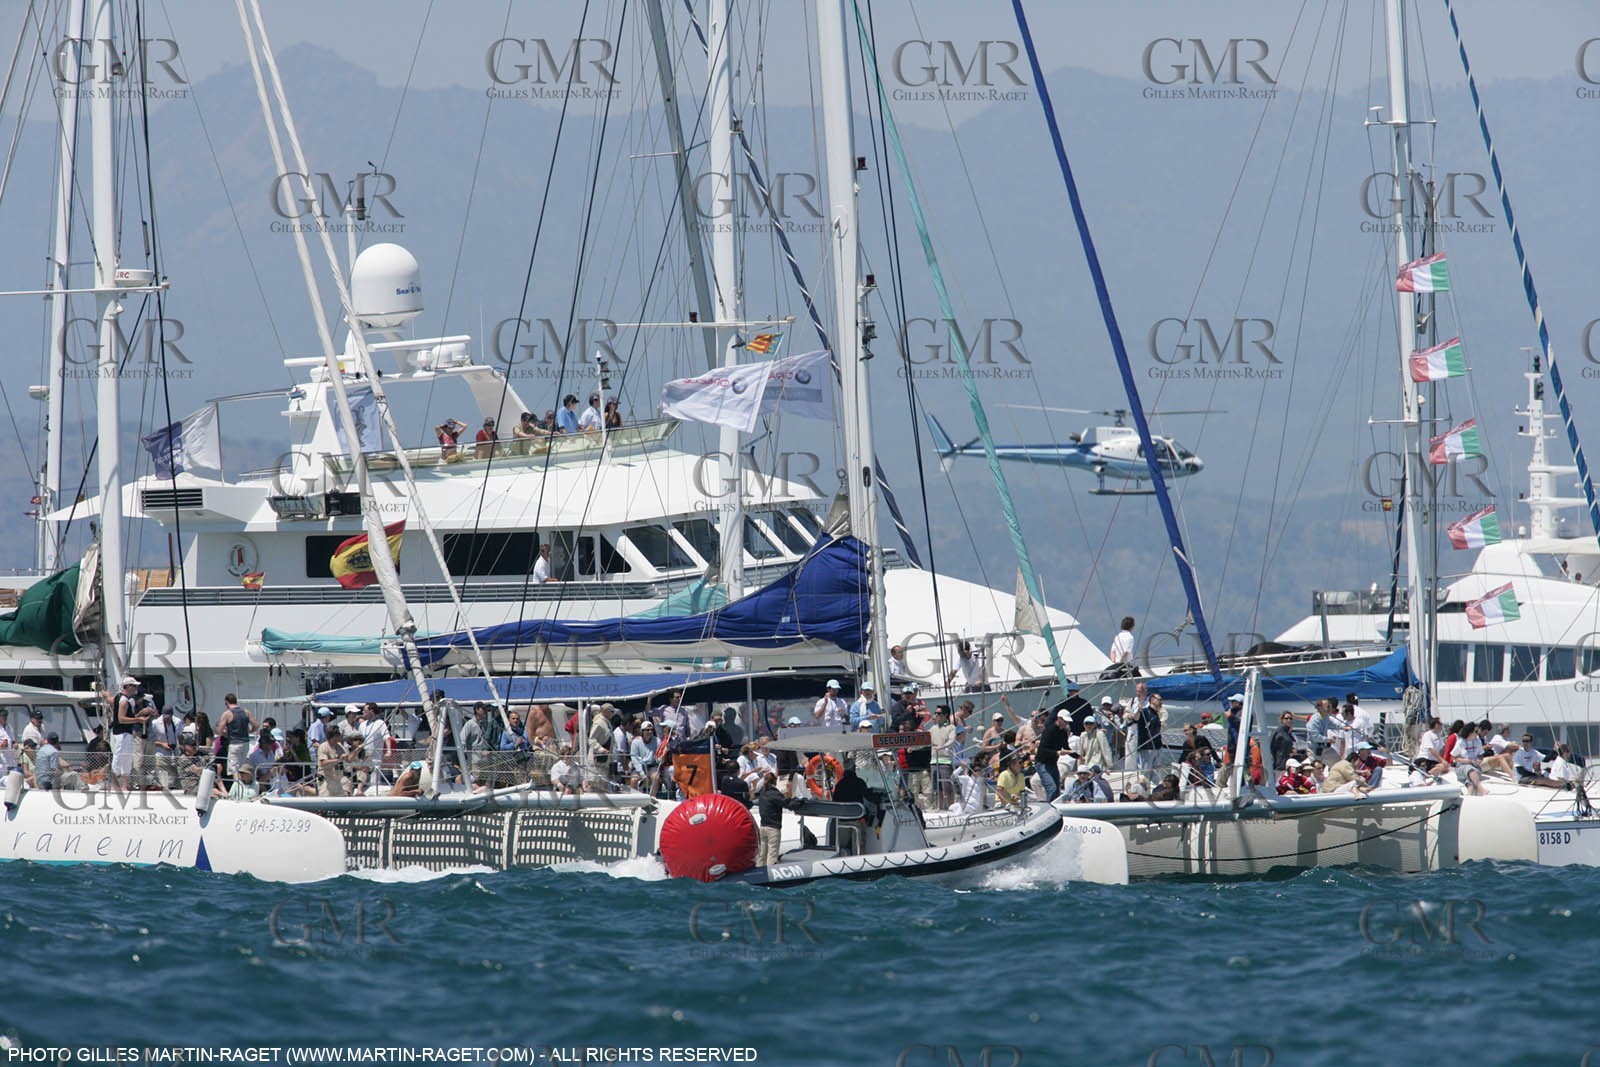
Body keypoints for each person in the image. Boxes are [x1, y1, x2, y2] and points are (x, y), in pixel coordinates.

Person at [109, 676, 151, 788]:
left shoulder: (120, 698)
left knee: (127, 759)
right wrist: (139, 719)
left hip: (126, 733)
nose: (135, 688)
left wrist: (139, 715)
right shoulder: (124, 701)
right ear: (127, 687)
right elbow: (121, 719)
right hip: (122, 734)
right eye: (133, 686)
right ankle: (114, 785)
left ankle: (124, 785)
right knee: (119, 758)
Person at [754, 773, 797, 866]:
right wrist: (800, 801)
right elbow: (788, 804)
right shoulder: (775, 794)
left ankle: (758, 874)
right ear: (775, 781)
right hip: (773, 828)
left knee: (762, 855)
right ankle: (771, 878)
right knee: (772, 855)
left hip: (762, 827)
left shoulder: (762, 793)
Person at [1034, 708, 1072, 802]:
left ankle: (1055, 806)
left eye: (1067, 722)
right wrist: (1057, 753)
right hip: (1042, 763)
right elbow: (1043, 750)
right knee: (1052, 787)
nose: (1066, 723)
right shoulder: (1049, 731)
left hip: (1052, 763)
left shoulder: (1063, 732)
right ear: (1059, 719)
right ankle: (1050, 808)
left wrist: (1078, 755)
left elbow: (1066, 747)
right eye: (1065, 721)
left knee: (1057, 790)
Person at [218, 693, 255, 780]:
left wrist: (225, 734)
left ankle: (237, 788)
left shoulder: (227, 714)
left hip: (234, 744)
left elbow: (219, 730)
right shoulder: (246, 712)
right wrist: (250, 731)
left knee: (234, 770)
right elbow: (256, 725)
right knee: (241, 768)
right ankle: (243, 788)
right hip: (246, 743)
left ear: (227, 702)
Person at [928, 706, 957, 808]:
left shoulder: (951, 727)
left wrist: (942, 747)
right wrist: (913, 748)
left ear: (945, 715)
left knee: (947, 788)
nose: (936, 715)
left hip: (945, 761)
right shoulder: (932, 729)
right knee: (937, 790)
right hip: (933, 761)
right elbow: (925, 741)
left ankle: (952, 809)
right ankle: (939, 809)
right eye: (935, 713)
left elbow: (951, 740)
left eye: (939, 713)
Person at [359, 703, 392, 789]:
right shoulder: (362, 725)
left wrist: (388, 751)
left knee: (374, 782)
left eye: (365, 710)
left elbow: (386, 737)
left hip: (375, 758)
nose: (363, 712)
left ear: (371, 711)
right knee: (361, 779)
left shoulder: (380, 723)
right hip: (363, 758)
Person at [150, 705, 182, 788]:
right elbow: (150, 741)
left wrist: (181, 748)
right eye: (165, 717)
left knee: (172, 778)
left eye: (168, 717)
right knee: (162, 776)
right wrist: (162, 744)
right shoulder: (155, 723)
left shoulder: (177, 722)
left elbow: (179, 737)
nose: (166, 719)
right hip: (160, 753)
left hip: (173, 754)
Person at [317, 729, 347, 797]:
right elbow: (323, 762)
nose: (338, 739)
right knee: (325, 801)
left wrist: (357, 750)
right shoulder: (323, 746)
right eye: (336, 737)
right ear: (331, 737)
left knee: (340, 801)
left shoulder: (339, 746)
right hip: (326, 780)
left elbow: (348, 759)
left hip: (337, 779)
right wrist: (338, 760)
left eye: (338, 737)